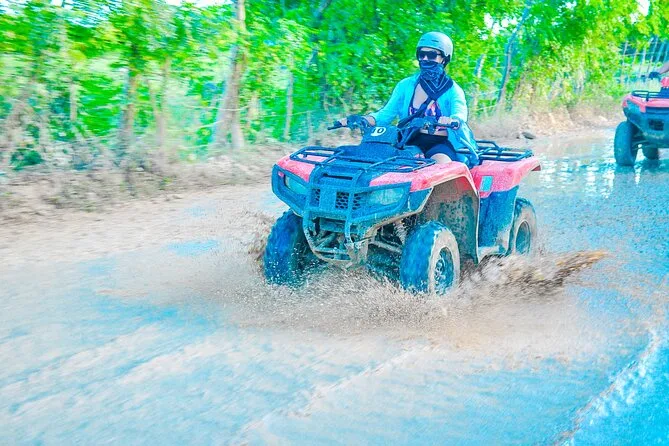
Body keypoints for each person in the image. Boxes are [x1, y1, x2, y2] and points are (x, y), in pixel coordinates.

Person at [338, 31, 478, 166]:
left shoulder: (453, 90)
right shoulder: (405, 85)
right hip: (408, 141)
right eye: (421, 54)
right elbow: (385, 115)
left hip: (439, 144)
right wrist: (361, 120)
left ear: (444, 58)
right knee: (380, 165)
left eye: (431, 55)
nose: (425, 59)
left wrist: (452, 120)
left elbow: (460, 115)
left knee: (440, 168)